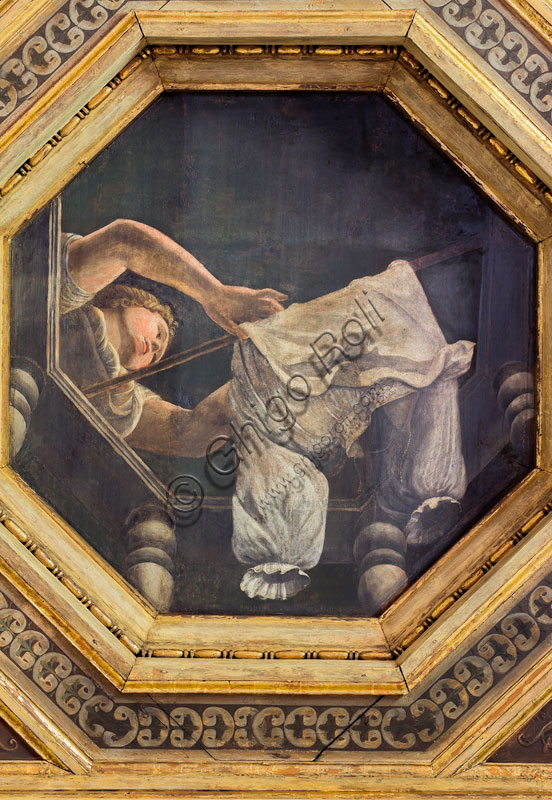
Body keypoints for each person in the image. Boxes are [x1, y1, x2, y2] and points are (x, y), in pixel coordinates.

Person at [60, 218, 475, 601]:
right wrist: (214, 294)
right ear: (136, 302)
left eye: (162, 346)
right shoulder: (61, 298)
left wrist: (267, 377)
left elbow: (188, 430)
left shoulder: (122, 402)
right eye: (160, 330)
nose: (155, 348)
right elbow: (124, 241)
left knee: (342, 347)